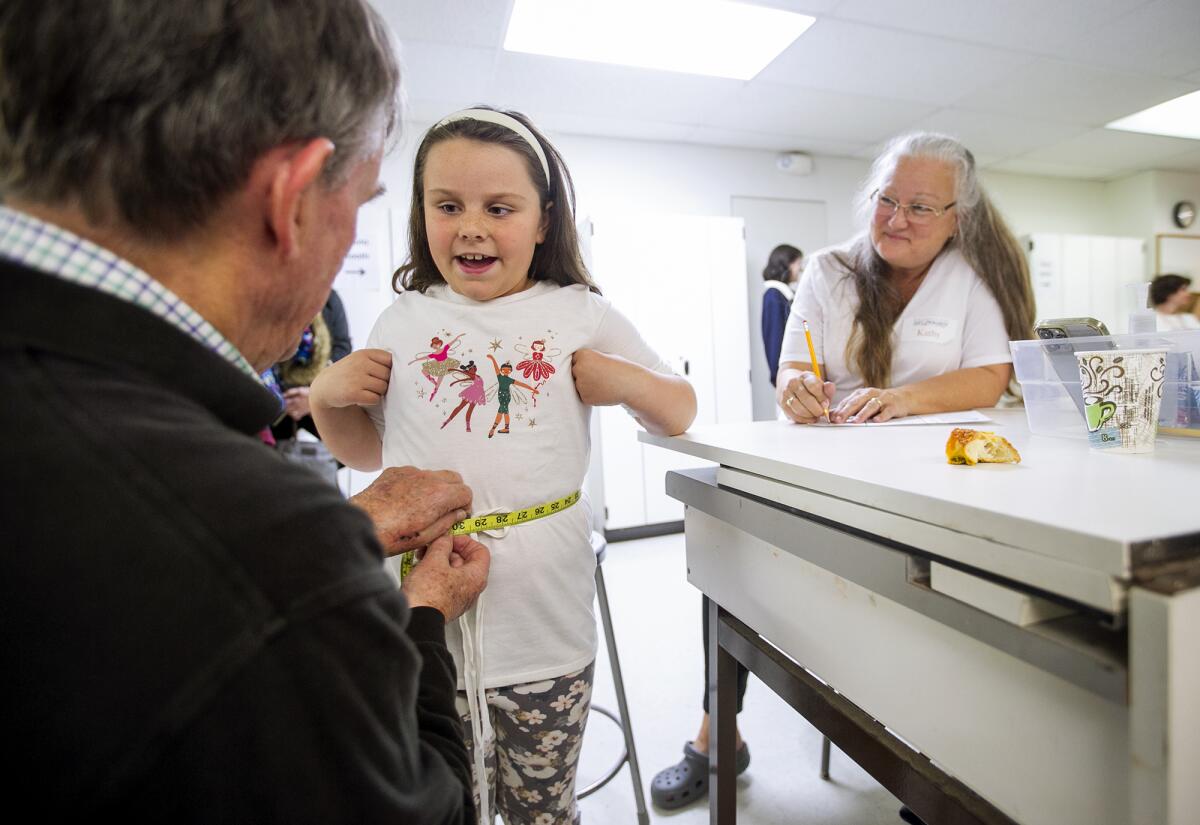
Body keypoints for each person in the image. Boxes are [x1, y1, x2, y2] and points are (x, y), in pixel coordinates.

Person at [0, 2, 493, 823]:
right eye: (364, 201)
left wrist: (345, 536)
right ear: (292, 197)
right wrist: (416, 614)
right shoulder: (271, 558)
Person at [311, 106, 698, 825]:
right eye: (447, 205)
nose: (471, 227)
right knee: (442, 806)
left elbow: (679, 409)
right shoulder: (404, 319)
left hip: (546, 633)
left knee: (543, 812)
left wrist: (628, 382)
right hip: (426, 632)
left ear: (545, 220)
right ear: (419, 212)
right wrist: (331, 398)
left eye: (500, 207)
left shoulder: (581, 311)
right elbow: (367, 453)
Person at [650, 132, 1034, 814]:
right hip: (828, 469)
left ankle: (940, 767)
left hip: (928, 481)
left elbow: (990, 375)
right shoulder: (829, 270)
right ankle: (717, 735)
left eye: (921, 206)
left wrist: (903, 398)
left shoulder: (971, 278)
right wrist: (796, 385)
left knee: (938, 607)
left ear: (957, 217)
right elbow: (796, 365)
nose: (897, 218)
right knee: (728, 560)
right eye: (887, 199)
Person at [762, 243, 804, 386]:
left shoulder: (783, 295)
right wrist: (779, 378)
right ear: (787, 264)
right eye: (798, 264)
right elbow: (774, 338)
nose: (800, 269)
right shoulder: (774, 295)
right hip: (784, 379)